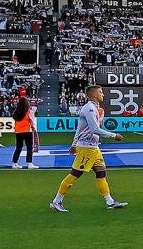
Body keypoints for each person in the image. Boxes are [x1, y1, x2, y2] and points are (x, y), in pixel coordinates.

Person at [51, 85, 129, 213]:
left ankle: (110, 201)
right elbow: (95, 130)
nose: (102, 94)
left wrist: (73, 143)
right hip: (87, 148)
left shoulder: (93, 108)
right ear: (94, 95)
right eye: (100, 92)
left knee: (101, 173)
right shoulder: (90, 109)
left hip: (93, 147)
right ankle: (57, 201)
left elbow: (79, 128)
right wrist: (114, 135)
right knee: (75, 174)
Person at [9, 90, 38, 169]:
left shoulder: (16, 112)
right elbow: (31, 121)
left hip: (18, 131)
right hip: (27, 131)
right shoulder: (29, 111)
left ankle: (14, 163)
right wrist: (34, 129)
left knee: (18, 147)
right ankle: (29, 163)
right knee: (29, 147)